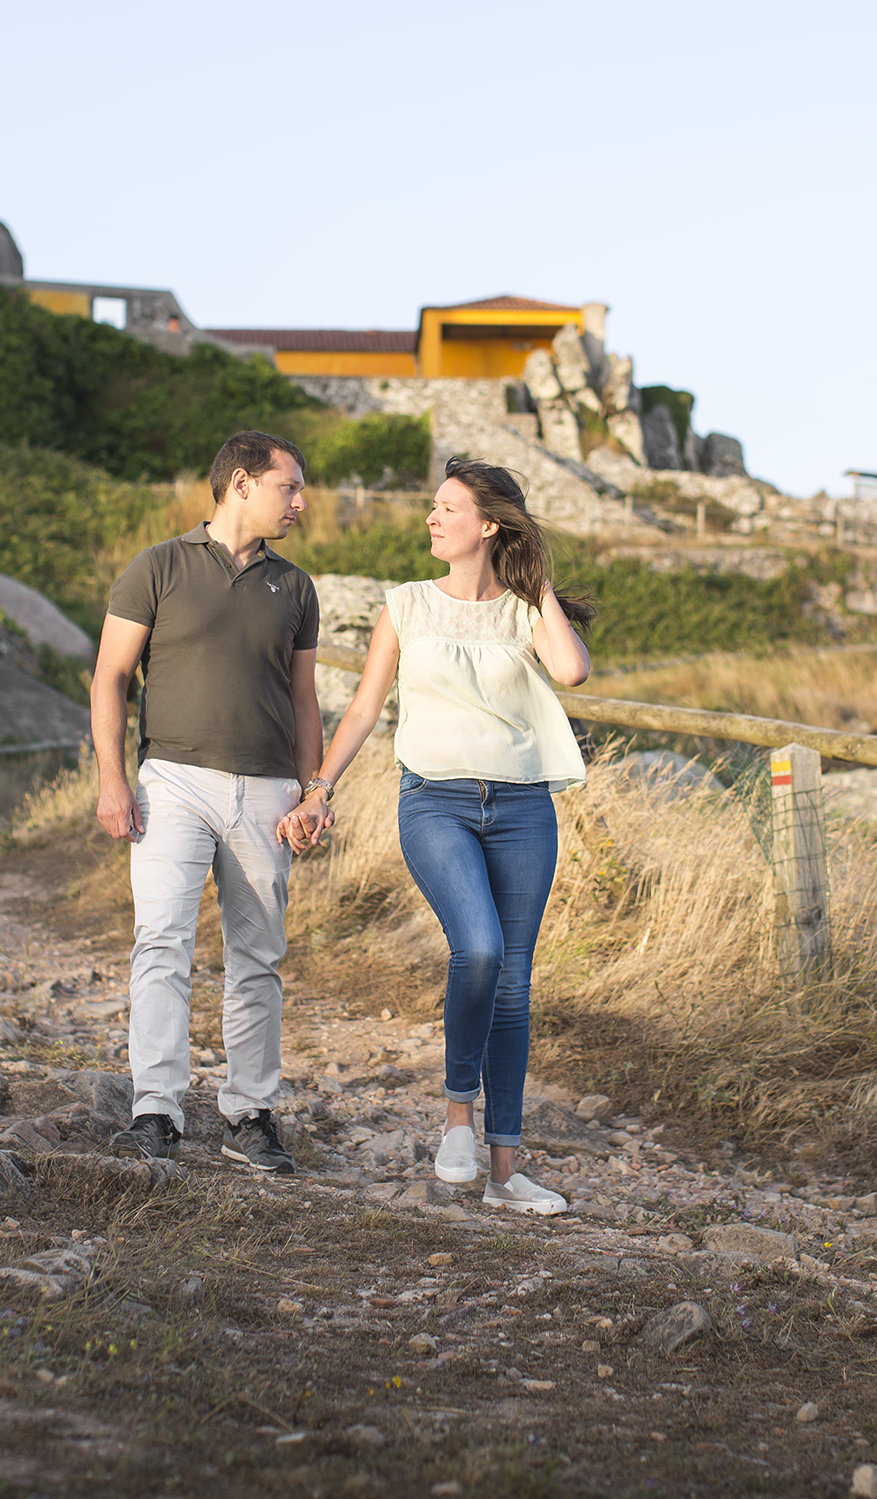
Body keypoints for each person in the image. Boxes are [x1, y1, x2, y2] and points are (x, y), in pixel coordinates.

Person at [279, 457, 595, 1214]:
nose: (432, 516)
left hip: (523, 808)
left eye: (448, 507)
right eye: (433, 504)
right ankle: (458, 1118)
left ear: (488, 525)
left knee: (515, 986)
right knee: (479, 949)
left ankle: (506, 1173)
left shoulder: (524, 608)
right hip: (436, 803)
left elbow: (572, 669)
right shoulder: (407, 605)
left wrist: (536, 579)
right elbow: (361, 712)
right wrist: (320, 787)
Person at [92, 430, 323, 1175]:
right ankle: (155, 1110)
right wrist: (112, 779)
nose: (301, 501)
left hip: (267, 789)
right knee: (162, 939)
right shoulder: (156, 566)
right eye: (289, 486)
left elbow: (305, 699)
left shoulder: (295, 587)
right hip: (173, 780)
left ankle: (249, 1115)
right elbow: (110, 678)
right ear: (242, 484)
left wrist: (313, 790)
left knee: (257, 955)